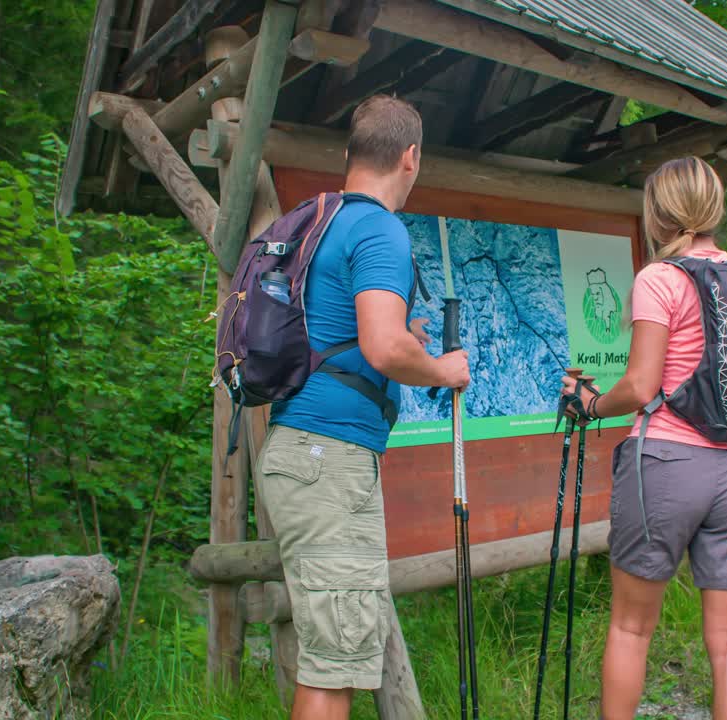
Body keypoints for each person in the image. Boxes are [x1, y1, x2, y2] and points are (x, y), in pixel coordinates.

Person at [256, 94, 470, 720]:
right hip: (328, 462)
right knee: (334, 666)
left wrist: (405, 339)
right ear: (411, 158)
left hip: (303, 453)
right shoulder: (380, 228)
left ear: (349, 154)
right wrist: (440, 369)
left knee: (334, 651)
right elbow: (382, 346)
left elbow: (349, 333)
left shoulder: (320, 223)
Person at [562, 156, 727, 720]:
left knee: (631, 629)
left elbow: (641, 383)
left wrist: (592, 405)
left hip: (669, 460)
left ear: (658, 214)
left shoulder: (660, 276)